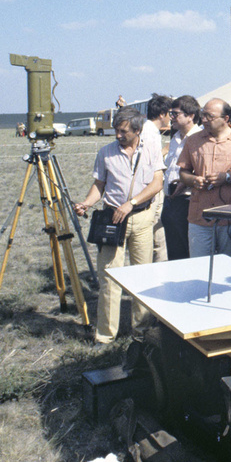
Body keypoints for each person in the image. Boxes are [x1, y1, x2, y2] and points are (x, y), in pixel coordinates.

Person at [74, 107, 166, 344]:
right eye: (116, 130)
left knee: (142, 276)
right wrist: (86, 202)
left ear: (137, 130)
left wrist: (131, 204)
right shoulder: (105, 153)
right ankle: (105, 335)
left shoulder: (152, 149)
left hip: (142, 219)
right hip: (112, 221)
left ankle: (141, 332)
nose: (117, 135)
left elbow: (156, 184)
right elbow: (99, 185)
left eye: (123, 131)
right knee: (109, 278)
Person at [177, 98, 231, 258]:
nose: (204, 120)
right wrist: (194, 180)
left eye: (209, 116)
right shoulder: (193, 140)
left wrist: (227, 177)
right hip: (200, 216)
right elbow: (183, 172)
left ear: (226, 118)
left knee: (229, 264)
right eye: (203, 115)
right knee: (199, 265)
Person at [160, 95, 200, 261]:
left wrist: (182, 184)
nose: (171, 117)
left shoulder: (200, 138)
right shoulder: (175, 138)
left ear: (190, 116)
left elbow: (199, 170)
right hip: (170, 200)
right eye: (171, 113)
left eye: (175, 114)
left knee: (188, 251)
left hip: (188, 200)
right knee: (174, 253)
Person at [142, 93, 173, 262]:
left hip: (153, 187)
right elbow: (148, 162)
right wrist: (165, 151)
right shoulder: (149, 133)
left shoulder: (149, 130)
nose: (171, 118)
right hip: (151, 188)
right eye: (170, 113)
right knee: (153, 232)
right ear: (162, 114)